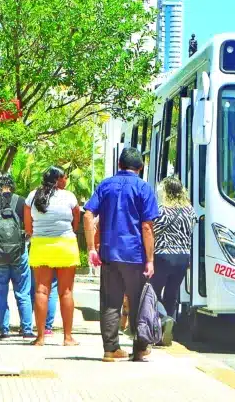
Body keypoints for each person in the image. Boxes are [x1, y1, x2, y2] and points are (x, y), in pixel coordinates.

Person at [84, 147, 159, 362]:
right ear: (141, 167)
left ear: (119, 164)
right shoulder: (144, 189)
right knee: (138, 302)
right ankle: (140, 349)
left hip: (108, 253)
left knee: (110, 302)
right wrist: (151, 260)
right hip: (135, 256)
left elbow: (88, 214)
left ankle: (110, 349)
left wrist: (91, 247)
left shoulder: (105, 185)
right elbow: (146, 227)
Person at [26, 167, 81, 347]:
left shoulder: (32, 196)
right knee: (66, 291)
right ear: (58, 180)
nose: (66, 181)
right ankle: (67, 337)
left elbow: (28, 226)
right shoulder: (69, 197)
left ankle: (40, 337)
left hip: (41, 245)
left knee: (41, 290)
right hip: (65, 244)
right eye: (64, 178)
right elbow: (76, 221)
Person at [0, 172, 35, 340]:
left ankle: (4, 331)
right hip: (19, 252)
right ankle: (26, 330)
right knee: (23, 292)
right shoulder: (21, 200)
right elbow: (30, 228)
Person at [151, 176, 195, 345]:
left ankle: (163, 319)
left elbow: (152, 231)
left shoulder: (161, 210)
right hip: (183, 257)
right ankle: (169, 331)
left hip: (163, 255)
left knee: (153, 293)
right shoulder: (190, 210)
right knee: (172, 293)